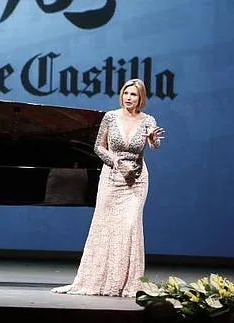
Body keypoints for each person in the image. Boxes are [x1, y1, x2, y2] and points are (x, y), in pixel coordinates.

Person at [51, 79, 165, 297]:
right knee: (105, 228)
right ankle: (99, 280)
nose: (128, 98)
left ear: (141, 98)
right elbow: (98, 147)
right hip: (112, 179)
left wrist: (153, 140)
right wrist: (116, 163)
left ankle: (128, 283)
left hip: (136, 181)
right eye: (125, 93)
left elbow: (154, 145)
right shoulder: (110, 117)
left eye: (133, 94)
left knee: (130, 227)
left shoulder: (148, 120)